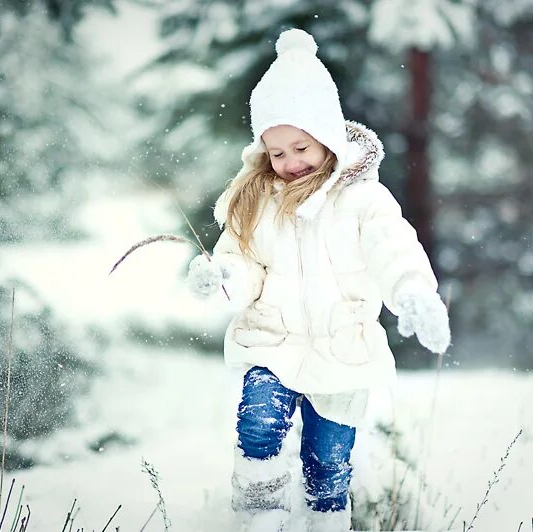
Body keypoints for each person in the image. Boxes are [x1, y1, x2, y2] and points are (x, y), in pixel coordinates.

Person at [186, 28, 450, 532]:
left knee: (327, 461)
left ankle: (327, 523)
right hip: (272, 340)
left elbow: (393, 248)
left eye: (300, 148)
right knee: (258, 427)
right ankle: (257, 519)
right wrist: (221, 279)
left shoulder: (363, 201)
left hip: (341, 349)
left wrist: (413, 291)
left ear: (327, 136)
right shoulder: (257, 200)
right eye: (276, 153)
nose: (289, 164)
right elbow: (241, 264)